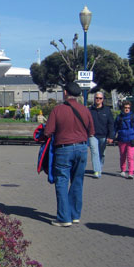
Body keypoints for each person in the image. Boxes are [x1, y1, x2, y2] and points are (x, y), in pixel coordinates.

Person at [44, 81, 95, 227]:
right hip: (82, 148)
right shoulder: (85, 110)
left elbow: (48, 132)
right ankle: (75, 215)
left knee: (62, 181)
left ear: (65, 92)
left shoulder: (57, 110)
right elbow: (91, 132)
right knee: (78, 181)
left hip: (64, 149)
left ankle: (63, 217)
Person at [88, 91, 115, 178]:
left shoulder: (107, 110)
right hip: (93, 135)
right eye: (97, 98)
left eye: (100, 98)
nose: (98, 100)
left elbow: (111, 124)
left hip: (103, 135)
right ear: (94, 99)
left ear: (103, 99)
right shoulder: (89, 110)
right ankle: (97, 171)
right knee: (94, 152)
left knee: (102, 154)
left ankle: (99, 167)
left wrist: (111, 136)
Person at [115, 100, 134, 179]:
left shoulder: (133, 117)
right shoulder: (119, 117)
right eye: (125, 108)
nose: (127, 109)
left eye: (128, 108)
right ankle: (123, 170)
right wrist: (112, 137)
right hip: (122, 139)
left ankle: (131, 172)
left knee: (130, 157)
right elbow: (115, 128)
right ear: (122, 108)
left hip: (131, 140)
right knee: (122, 156)